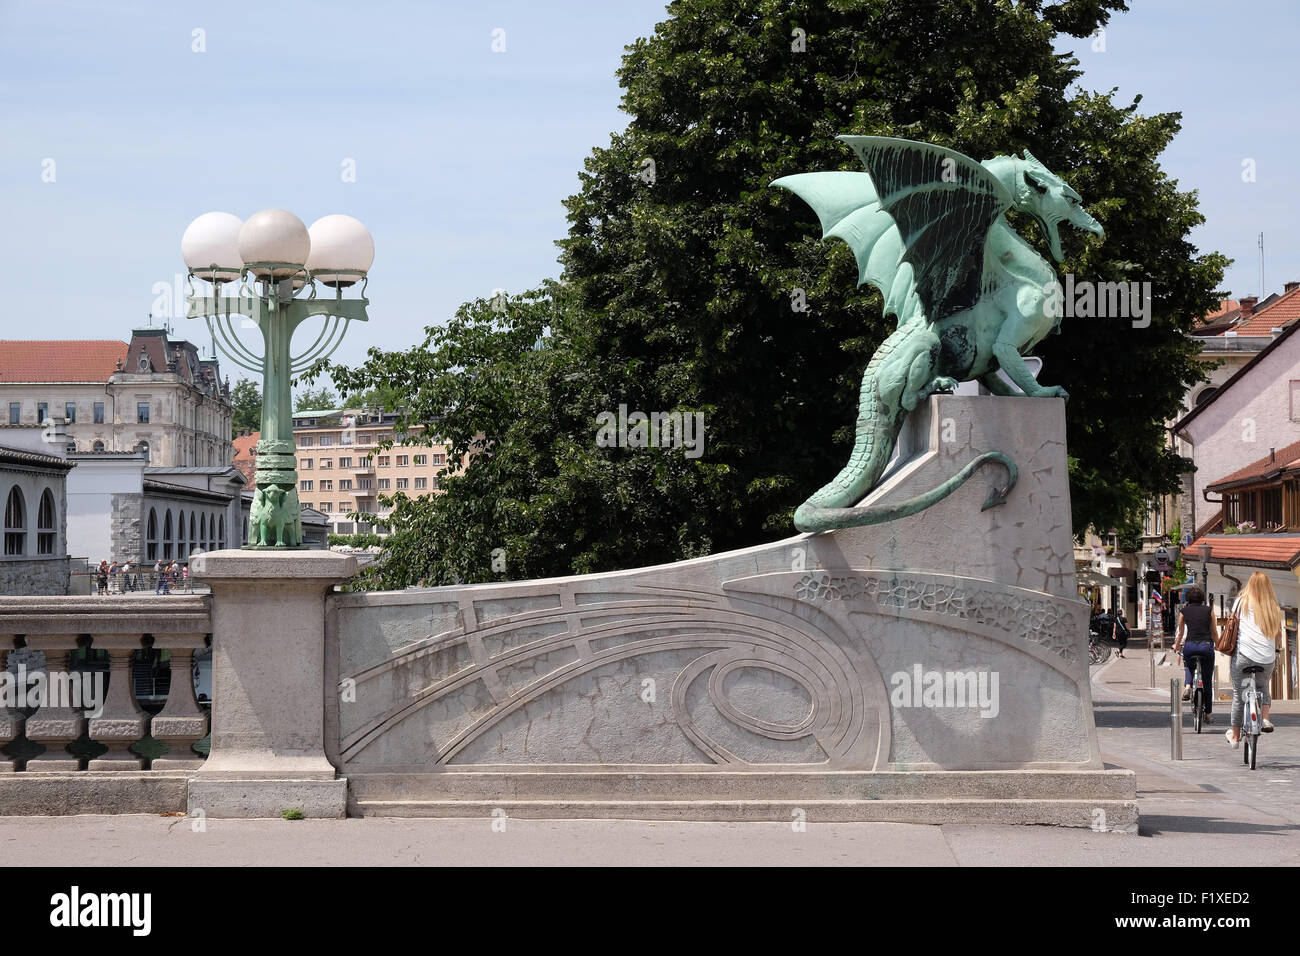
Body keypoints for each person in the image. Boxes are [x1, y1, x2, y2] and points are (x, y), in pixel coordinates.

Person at [1226, 572, 1282, 748]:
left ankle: (1235, 736)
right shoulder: (1273, 606)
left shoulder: (1240, 603)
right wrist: (1276, 651)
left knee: (1238, 694)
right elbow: (1278, 634)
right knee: (1263, 686)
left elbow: (1232, 623)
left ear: (1250, 585)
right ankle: (1265, 719)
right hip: (1267, 658)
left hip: (1244, 656)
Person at [1173, 586, 1217, 723]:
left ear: (1188, 598)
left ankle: (1188, 686)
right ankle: (1208, 714)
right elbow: (1214, 631)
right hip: (1206, 646)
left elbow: (1180, 632)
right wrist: (1219, 644)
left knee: (1189, 665)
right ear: (1202, 598)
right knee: (1207, 681)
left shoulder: (1184, 611)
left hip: (1190, 646)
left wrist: (1176, 644)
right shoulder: (1209, 610)